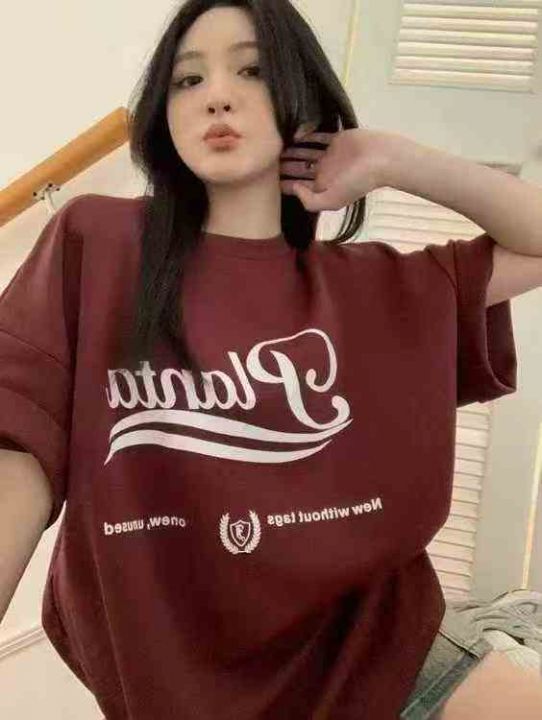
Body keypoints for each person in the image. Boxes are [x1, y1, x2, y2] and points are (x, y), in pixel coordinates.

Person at [2, 1, 538, 718]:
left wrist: (395, 159)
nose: (217, 95)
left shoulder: (374, 285)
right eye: (188, 80)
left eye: (252, 70)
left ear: (299, 99)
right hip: (184, 690)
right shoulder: (96, 243)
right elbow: (20, 445)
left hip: (390, 661)